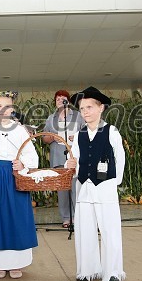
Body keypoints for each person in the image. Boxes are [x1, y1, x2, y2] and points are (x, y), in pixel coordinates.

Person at [0, 91, 39, 279]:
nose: (3, 110)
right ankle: (0, 264)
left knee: (16, 218)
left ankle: (17, 264)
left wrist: (23, 164)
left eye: (7, 106)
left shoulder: (19, 131)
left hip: (14, 178)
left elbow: (31, 156)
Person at [65, 86, 126, 281]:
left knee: (109, 230)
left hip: (105, 187)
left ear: (101, 108)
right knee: (85, 230)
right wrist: (71, 165)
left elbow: (120, 157)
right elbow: (73, 160)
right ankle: (87, 270)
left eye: (89, 107)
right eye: (82, 109)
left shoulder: (111, 131)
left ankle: (113, 272)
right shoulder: (80, 134)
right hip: (84, 187)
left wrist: (113, 182)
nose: (85, 112)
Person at [42, 90, 84, 228]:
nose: (60, 100)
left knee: (75, 188)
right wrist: (52, 137)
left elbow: (86, 133)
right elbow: (44, 138)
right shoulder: (51, 118)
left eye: (63, 98)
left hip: (74, 158)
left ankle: (77, 217)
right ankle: (66, 218)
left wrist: (77, 137)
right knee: (62, 191)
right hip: (58, 157)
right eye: (57, 98)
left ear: (68, 101)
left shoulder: (77, 116)